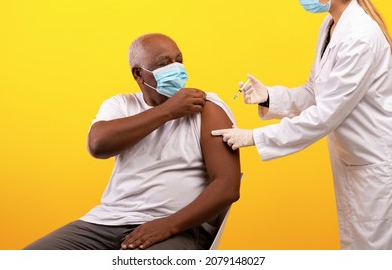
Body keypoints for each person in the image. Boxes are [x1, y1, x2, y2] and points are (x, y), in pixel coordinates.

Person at [24, 33, 241, 250]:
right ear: (139, 74)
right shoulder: (120, 105)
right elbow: (98, 145)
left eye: (179, 60)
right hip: (106, 223)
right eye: (165, 63)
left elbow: (227, 186)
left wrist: (168, 225)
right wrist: (167, 111)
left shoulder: (207, 107)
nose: (176, 68)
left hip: (179, 228)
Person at [212, 0, 392, 249]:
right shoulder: (330, 25)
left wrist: (255, 137)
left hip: (375, 162)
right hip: (355, 161)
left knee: (373, 251)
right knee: (358, 245)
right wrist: (269, 97)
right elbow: (315, 90)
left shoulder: (360, 37)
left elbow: (326, 115)